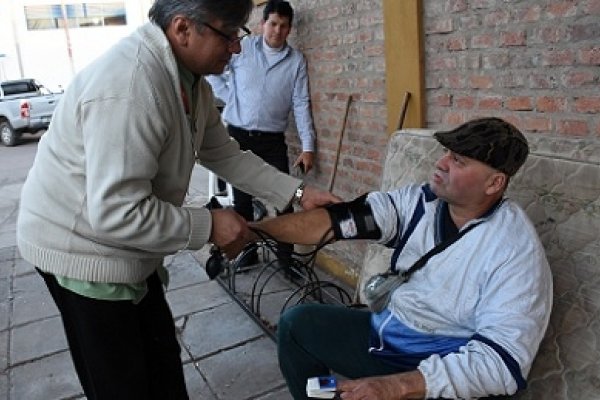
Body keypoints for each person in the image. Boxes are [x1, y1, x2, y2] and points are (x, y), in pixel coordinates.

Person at [16, 1, 339, 399]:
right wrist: (207, 225)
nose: (237, 48)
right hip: (83, 248)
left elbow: (225, 154)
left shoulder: (190, 82)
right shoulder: (132, 84)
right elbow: (117, 212)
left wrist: (298, 192)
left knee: (162, 366)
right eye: (229, 34)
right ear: (184, 29)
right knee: (123, 382)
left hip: (125, 244)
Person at [245, 117, 553, 399]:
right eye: (446, 152)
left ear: (494, 183)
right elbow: (339, 221)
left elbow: (500, 364)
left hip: (444, 366)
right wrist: (255, 232)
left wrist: (395, 386)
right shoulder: (420, 202)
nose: (441, 163)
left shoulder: (514, 250)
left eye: (458, 160)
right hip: (387, 338)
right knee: (298, 325)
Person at [206, 0, 316, 267]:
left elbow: (301, 103)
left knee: (284, 201)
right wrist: (230, 97)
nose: (277, 31)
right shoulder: (242, 49)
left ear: (289, 29)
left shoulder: (296, 61)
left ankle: (286, 260)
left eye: (283, 26)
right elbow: (213, 73)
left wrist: (308, 146)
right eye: (273, 24)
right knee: (242, 199)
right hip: (239, 135)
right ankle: (248, 252)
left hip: (271, 139)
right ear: (263, 24)